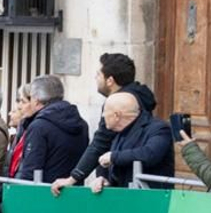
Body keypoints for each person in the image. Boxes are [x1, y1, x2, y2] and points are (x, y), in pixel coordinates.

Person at [63, 52, 156, 188]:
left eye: (98, 74)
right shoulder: (140, 97)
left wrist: (73, 178)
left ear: (110, 81)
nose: (95, 78)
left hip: (125, 181)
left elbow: (100, 143)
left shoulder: (117, 105)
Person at [68, 90, 173, 193]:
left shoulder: (159, 129)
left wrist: (113, 157)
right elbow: (118, 170)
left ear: (116, 115)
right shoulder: (118, 132)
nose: (103, 117)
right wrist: (105, 181)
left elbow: (149, 154)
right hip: (125, 200)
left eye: (105, 113)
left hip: (153, 202)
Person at [17, 75, 89, 184]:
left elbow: (30, 171)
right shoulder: (82, 124)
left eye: (30, 98)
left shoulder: (39, 127)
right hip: (74, 192)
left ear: (36, 100)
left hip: (45, 194)